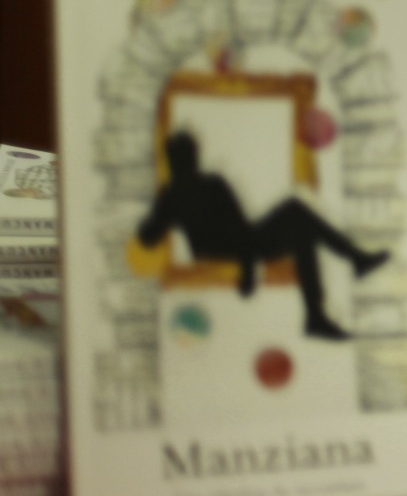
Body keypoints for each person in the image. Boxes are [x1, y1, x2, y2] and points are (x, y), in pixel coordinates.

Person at [137, 132, 387, 340]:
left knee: (301, 227)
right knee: (297, 215)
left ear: (172, 161)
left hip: (225, 248)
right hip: (239, 248)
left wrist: (158, 216)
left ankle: (323, 307)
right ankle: (335, 288)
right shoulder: (211, 183)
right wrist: (248, 271)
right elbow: (239, 227)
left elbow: (148, 237)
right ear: (193, 157)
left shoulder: (171, 196)